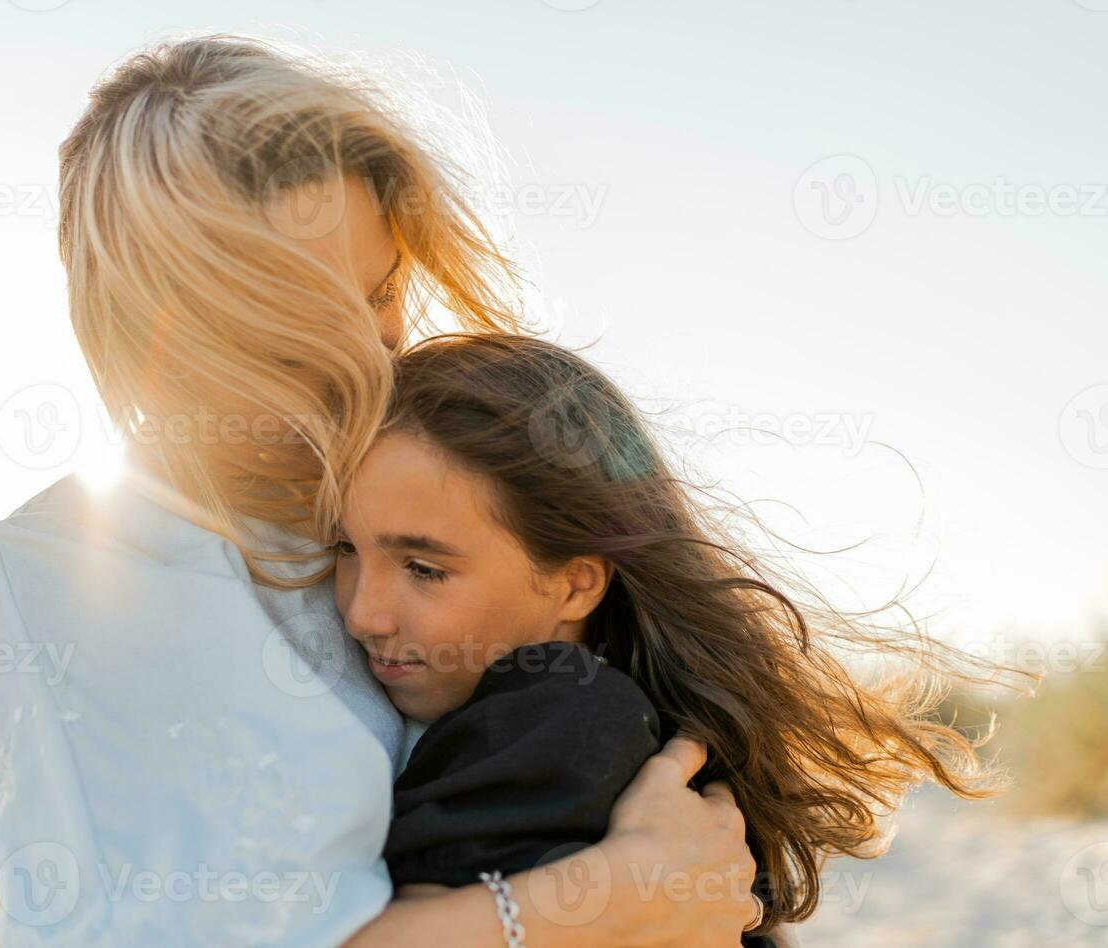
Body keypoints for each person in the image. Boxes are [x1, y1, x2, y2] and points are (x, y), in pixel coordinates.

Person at [0, 34, 760, 946]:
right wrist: (622, 898)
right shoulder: (77, 569)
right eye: (313, 316)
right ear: (173, 334)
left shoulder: (397, 496)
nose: (379, 350)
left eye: (383, 292)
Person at [332, 334, 1009, 942]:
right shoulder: (632, 728)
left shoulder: (559, 715)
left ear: (575, 583)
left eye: (425, 569)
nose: (365, 614)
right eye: (344, 550)